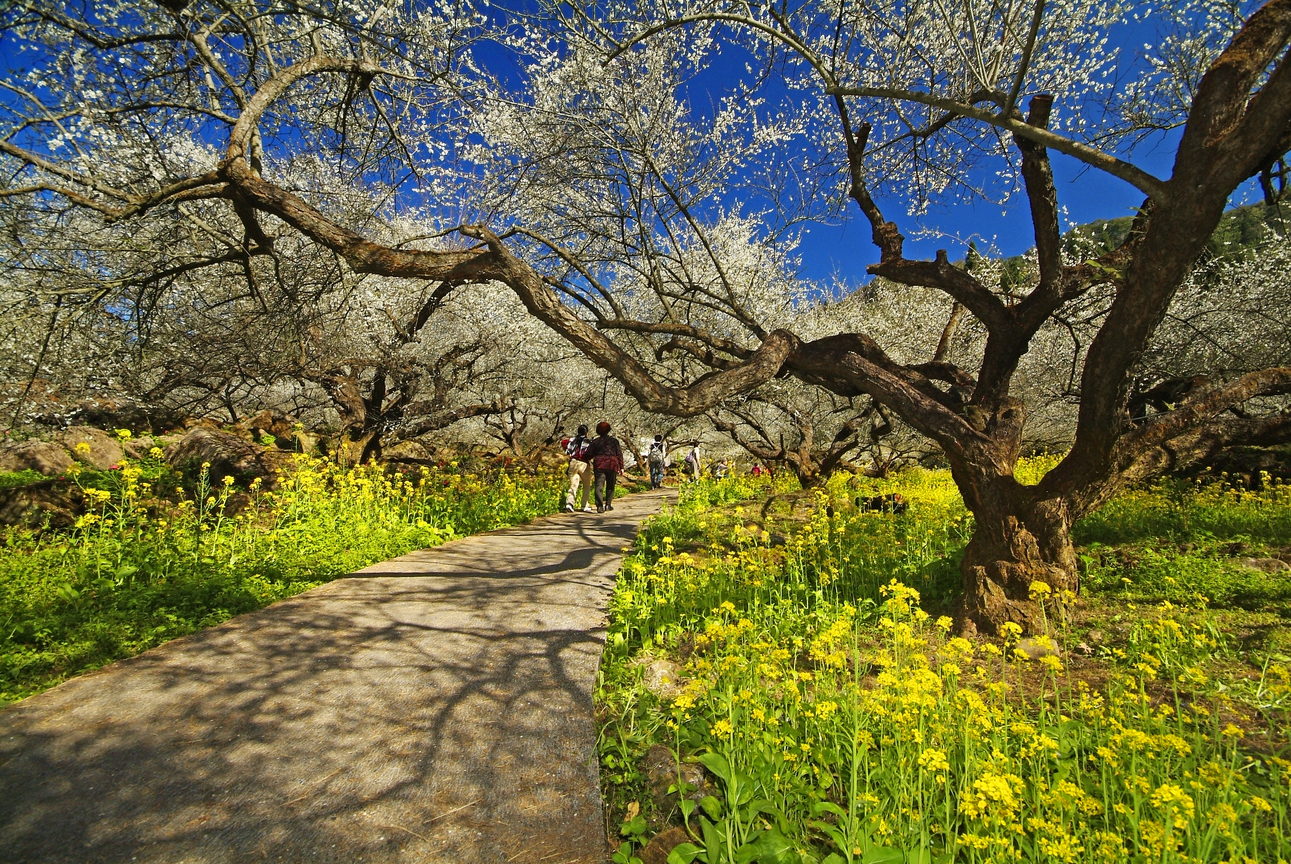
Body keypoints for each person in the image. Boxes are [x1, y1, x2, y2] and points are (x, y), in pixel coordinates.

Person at [583, 420, 624, 512]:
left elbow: (588, 454)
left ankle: (599, 506)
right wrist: (621, 467)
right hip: (612, 463)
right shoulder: (614, 441)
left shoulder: (595, 442)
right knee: (610, 485)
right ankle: (608, 505)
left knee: (599, 485)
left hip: (600, 464)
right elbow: (619, 454)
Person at [561, 424, 593, 512]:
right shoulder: (588, 441)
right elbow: (590, 453)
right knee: (586, 485)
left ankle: (569, 503)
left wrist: (568, 453)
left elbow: (563, 442)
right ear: (586, 432)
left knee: (573, 484)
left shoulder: (572, 440)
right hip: (583, 464)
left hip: (573, 462)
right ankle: (584, 505)